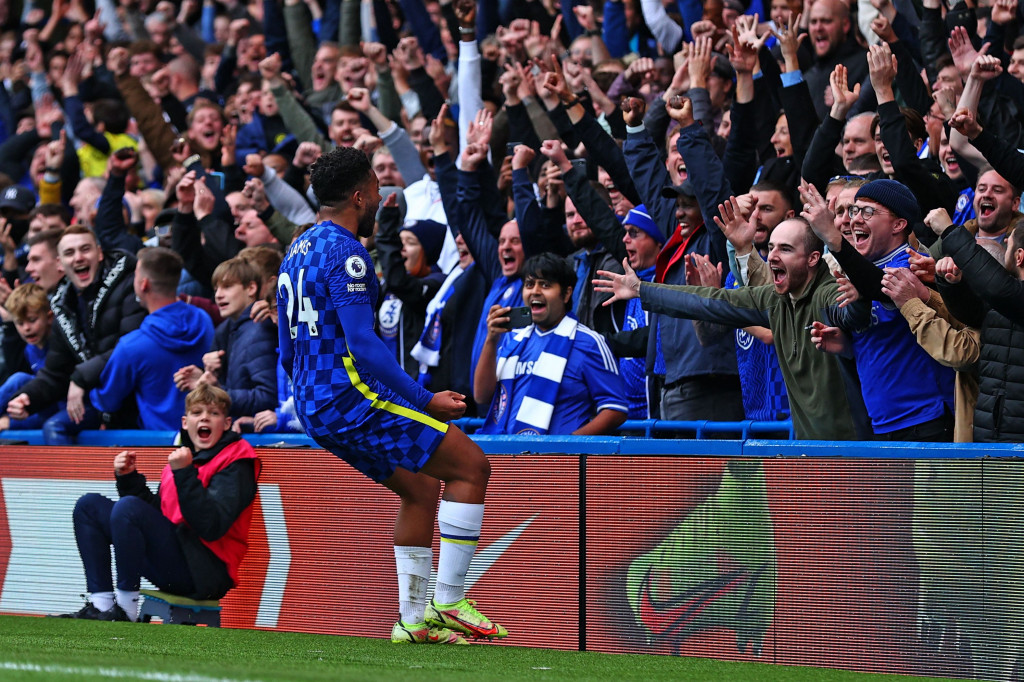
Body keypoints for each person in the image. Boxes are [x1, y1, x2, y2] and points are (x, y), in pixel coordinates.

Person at [277, 146, 506, 644]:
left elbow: (285, 348)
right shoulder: (345, 252)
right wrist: (424, 400)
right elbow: (363, 343)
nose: (382, 198)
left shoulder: (295, 251)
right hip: (348, 397)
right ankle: (448, 601)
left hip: (314, 405)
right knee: (472, 466)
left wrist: (307, 400)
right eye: (377, 189)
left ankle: (413, 621)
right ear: (359, 196)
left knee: (421, 489)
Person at [594, 217, 869, 440]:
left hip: (855, 453)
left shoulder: (827, 293)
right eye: (771, 247)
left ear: (812, 259)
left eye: (785, 249)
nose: (772, 256)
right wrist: (641, 289)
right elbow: (707, 302)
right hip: (804, 452)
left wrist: (859, 298)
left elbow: (852, 313)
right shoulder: (774, 300)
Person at [54, 384, 260, 621]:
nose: (204, 417)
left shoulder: (237, 460)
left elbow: (211, 526)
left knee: (128, 507)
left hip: (206, 572)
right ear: (185, 423)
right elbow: (158, 515)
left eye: (213, 413)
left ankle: (126, 609)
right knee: (88, 506)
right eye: (197, 413)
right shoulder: (184, 456)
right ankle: (101, 604)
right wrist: (129, 478)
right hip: (175, 559)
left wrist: (184, 474)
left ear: (226, 424)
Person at [6, 225, 147, 444]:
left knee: (55, 425)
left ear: (99, 254)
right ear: (60, 264)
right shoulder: (64, 304)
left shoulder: (127, 284)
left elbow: (130, 347)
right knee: (23, 389)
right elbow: (56, 371)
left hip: (135, 401)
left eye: (85, 249)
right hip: (95, 401)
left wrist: (80, 378)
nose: (79, 258)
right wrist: (29, 399)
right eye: (70, 253)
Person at [474, 252, 628, 435]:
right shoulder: (512, 339)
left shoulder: (589, 342)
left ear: (566, 294)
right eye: (529, 284)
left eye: (545, 285)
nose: (535, 291)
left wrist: (568, 445)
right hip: (508, 458)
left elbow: (616, 408)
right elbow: (482, 396)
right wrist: (491, 340)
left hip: (557, 461)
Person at [89, 247, 215, 431]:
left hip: (159, 447)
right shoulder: (204, 320)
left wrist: (81, 385)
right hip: (207, 436)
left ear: (144, 284)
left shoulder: (132, 345)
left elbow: (107, 400)